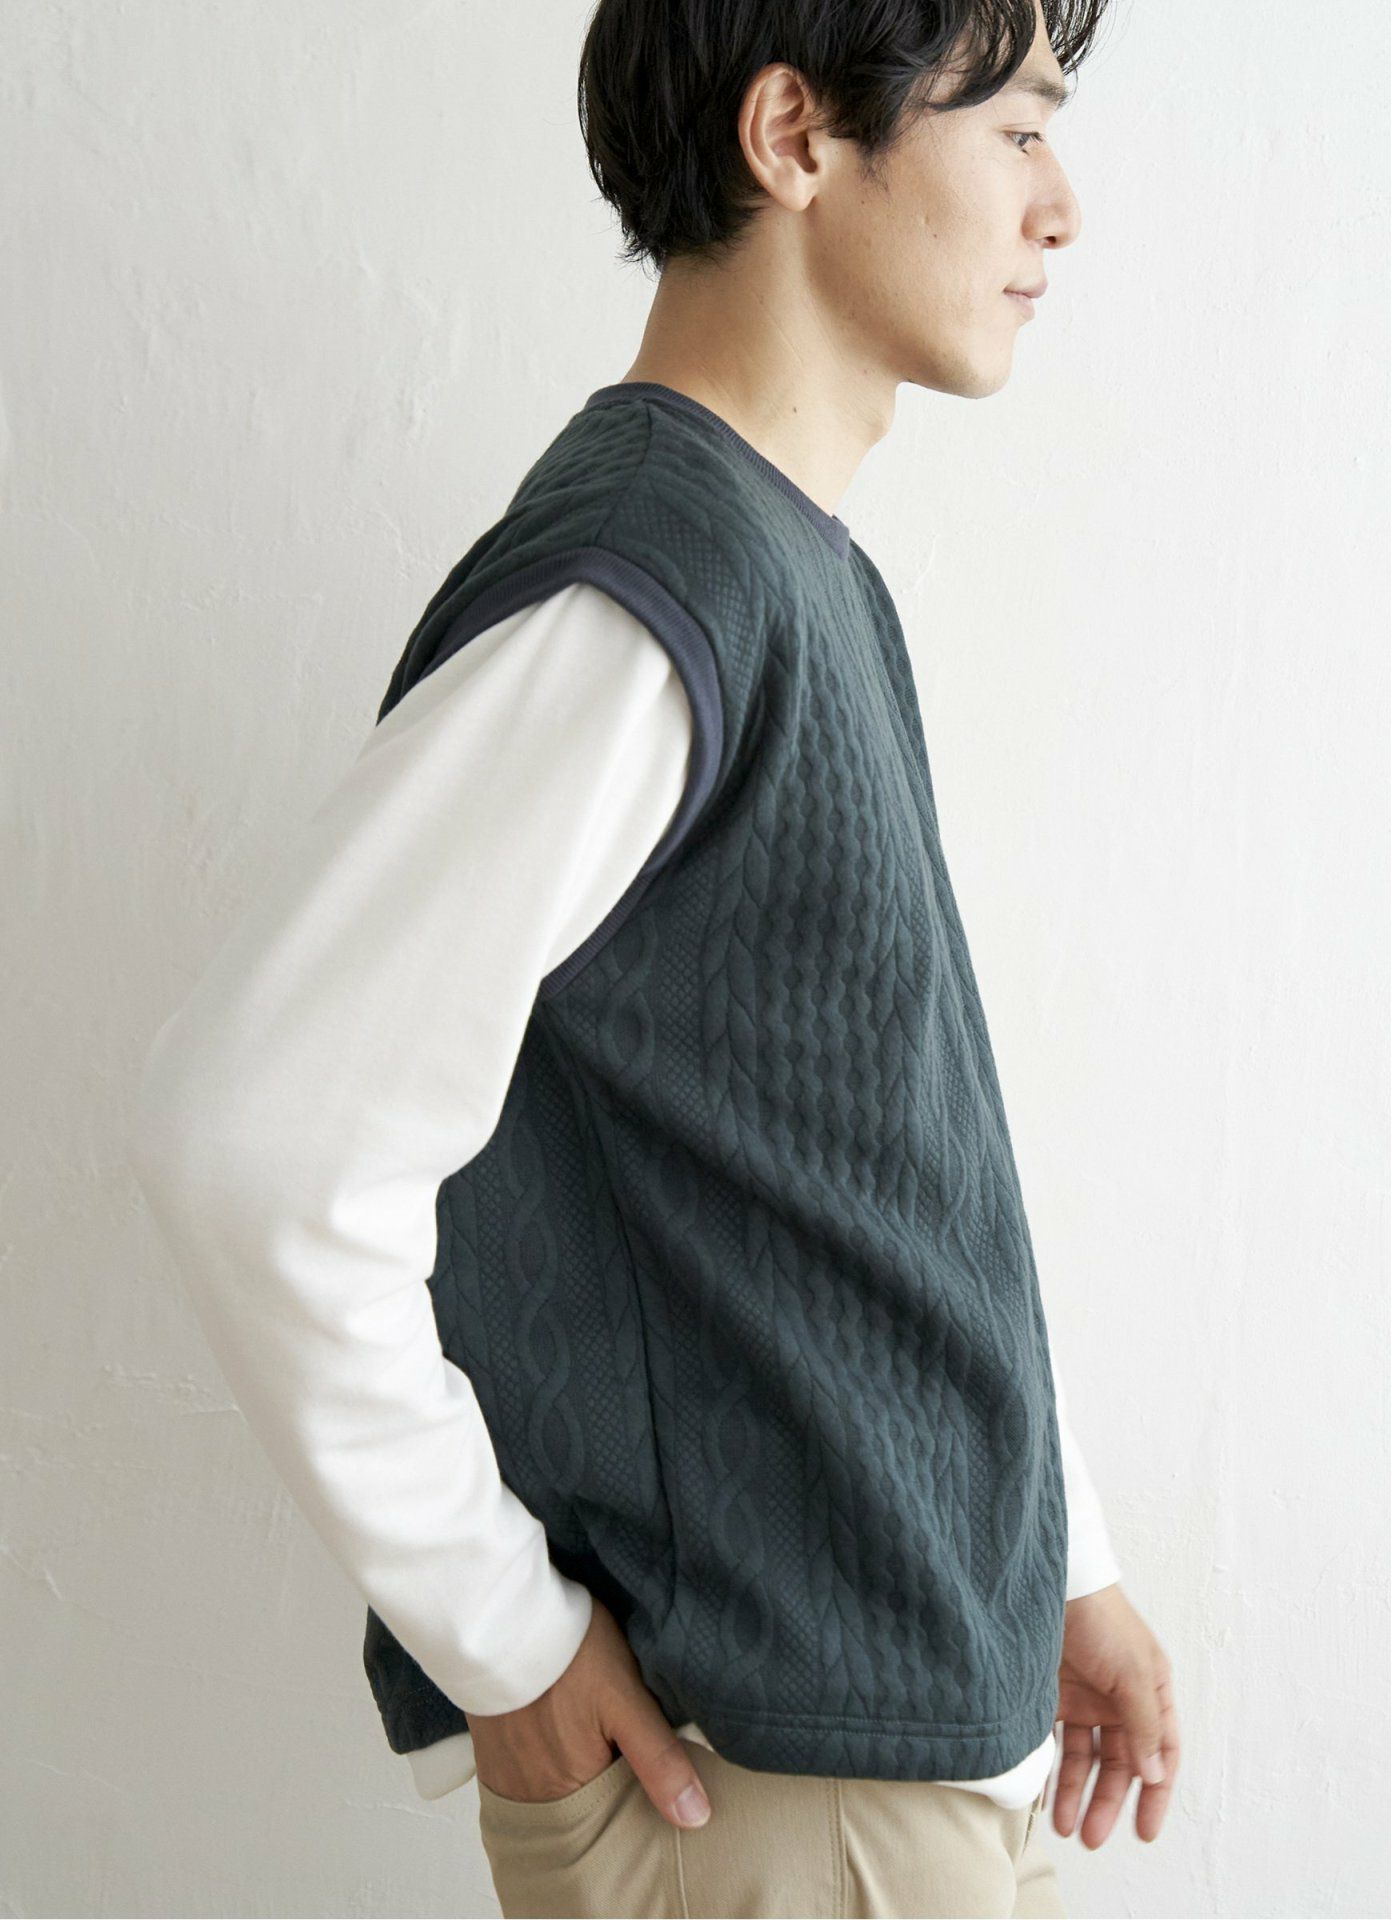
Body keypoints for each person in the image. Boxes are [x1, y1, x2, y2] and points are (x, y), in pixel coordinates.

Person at [129, 0, 1180, 1913]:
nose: (1064, 205)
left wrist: (1056, 1556)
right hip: (765, 1795)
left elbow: (875, 1175)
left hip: (890, 1760)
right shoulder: (646, 594)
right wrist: (502, 1639)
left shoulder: (790, 576)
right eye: (1020, 127)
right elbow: (249, 1140)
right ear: (796, 135)